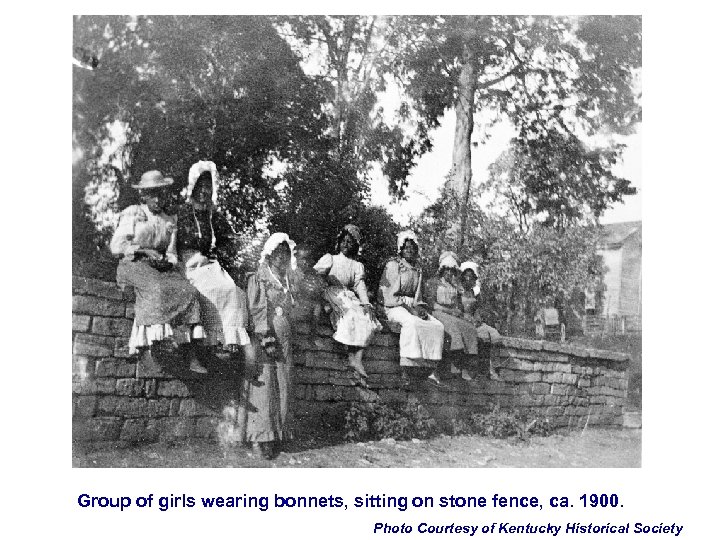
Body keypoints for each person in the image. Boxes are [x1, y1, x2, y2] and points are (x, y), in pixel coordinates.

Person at [110, 170, 205, 371]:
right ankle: (147, 348)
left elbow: (171, 253)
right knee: (156, 288)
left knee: (189, 291)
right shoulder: (134, 213)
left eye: (161, 193)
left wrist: (167, 262)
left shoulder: (169, 221)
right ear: (143, 195)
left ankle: (190, 352)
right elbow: (116, 247)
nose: (158, 199)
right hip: (132, 264)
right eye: (152, 194)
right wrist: (143, 250)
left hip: (157, 267)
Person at [176, 161, 252, 373]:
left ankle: (223, 343)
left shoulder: (213, 216)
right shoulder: (181, 212)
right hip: (187, 263)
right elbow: (173, 242)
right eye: (200, 188)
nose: (203, 192)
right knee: (207, 291)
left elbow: (229, 241)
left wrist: (225, 254)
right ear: (193, 187)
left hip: (209, 264)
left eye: (208, 188)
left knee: (233, 291)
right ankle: (200, 349)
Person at [237, 233, 296, 459]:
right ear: (270, 254)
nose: (283, 258)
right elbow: (257, 310)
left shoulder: (286, 280)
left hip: (284, 341)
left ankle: (278, 434)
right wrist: (265, 337)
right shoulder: (260, 277)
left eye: (286, 254)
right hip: (265, 338)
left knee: (283, 382)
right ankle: (260, 437)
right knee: (265, 384)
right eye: (279, 254)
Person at [313, 225, 382, 386]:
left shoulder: (356, 265)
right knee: (350, 315)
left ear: (355, 246)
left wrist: (366, 303)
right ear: (339, 242)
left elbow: (360, 285)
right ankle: (350, 356)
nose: (346, 245)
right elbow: (316, 275)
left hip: (348, 294)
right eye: (343, 241)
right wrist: (321, 292)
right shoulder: (330, 258)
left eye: (350, 242)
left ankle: (357, 358)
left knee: (365, 316)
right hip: (333, 293)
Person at [377, 230, 445, 384]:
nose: (410, 251)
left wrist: (420, 309)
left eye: (413, 248)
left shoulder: (417, 270)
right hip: (394, 306)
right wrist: (410, 310)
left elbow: (418, 297)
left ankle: (430, 368)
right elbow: (389, 295)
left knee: (437, 326)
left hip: (411, 306)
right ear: (401, 249)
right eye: (406, 248)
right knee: (412, 323)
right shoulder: (394, 265)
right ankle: (407, 369)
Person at [426, 251, 480, 383]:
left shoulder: (454, 287)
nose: (449, 273)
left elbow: (457, 306)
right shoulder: (434, 283)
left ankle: (466, 366)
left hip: (450, 314)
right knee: (453, 327)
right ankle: (452, 367)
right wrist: (449, 312)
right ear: (442, 270)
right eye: (447, 270)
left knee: (469, 328)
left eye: (452, 270)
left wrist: (462, 314)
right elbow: (431, 304)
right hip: (437, 312)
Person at [459, 261, 502, 380]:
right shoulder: (458, 292)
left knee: (495, 336)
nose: (469, 280)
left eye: (471, 278)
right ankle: (480, 370)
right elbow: (456, 309)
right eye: (466, 277)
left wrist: (477, 318)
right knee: (483, 337)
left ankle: (494, 367)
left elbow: (477, 309)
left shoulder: (473, 293)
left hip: (475, 321)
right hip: (463, 321)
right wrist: (465, 317)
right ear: (462, 278)